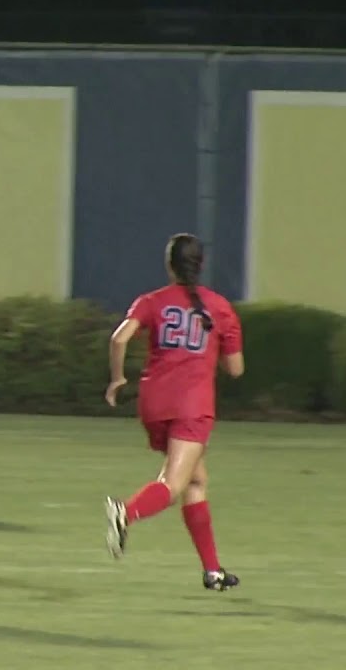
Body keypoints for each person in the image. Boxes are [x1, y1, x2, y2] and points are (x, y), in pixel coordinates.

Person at [103, 233, 245, 592]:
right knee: (174, 483)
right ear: (201, 265)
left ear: (170, 265)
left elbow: (119, 338)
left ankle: (212, 571)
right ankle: (125, 513)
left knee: (196, 481)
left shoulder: (152, 301)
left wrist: (118, 378)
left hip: (154, 403)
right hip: (192, 407)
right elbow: (236, 369)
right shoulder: (220, 307)